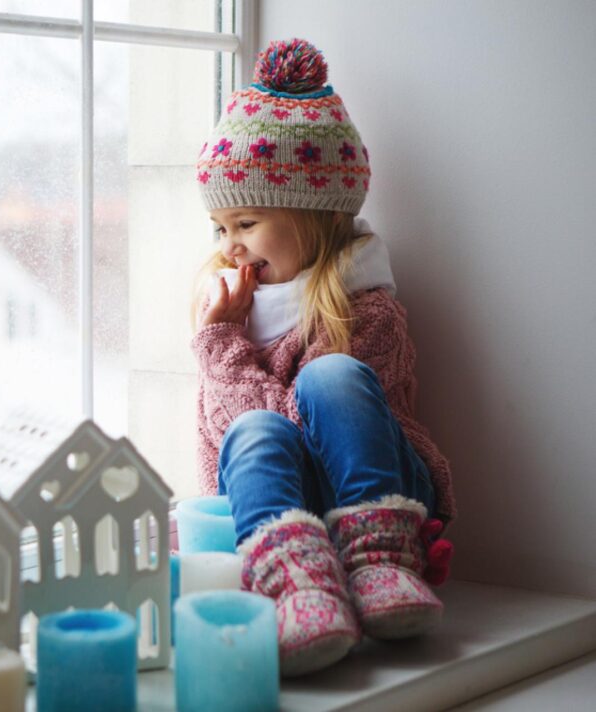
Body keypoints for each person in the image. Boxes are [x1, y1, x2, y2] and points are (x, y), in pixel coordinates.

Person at [190, 38, 456, 677]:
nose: (230, 248)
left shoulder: (365, 311)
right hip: (284, 515)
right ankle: (298, 592)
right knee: (254, 430)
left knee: (329, 377)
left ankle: (382, 565)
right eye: (220, 228)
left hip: (379, 494)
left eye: (246, 224)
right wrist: (221, 341)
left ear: (314, 215)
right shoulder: (227, 317)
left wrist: (233, 354)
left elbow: (316, 430)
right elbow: (230, 444)